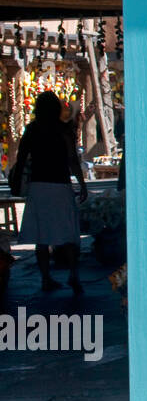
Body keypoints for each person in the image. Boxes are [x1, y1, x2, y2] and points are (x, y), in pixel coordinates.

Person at [13, 91, 87, 294]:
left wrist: (17, 181)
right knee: (69, 233)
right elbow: (73, 160)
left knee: (42, 236)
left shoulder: (32, 130)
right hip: (60, 186)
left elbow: (21, 158)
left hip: (39, 187)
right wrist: (82, 184)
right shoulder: (63, 131)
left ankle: (46, 278)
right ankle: (74, 274)